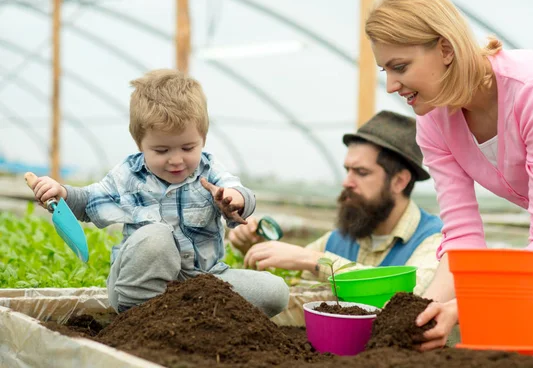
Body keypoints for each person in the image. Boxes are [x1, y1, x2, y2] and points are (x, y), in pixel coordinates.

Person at [365, 0, 533, 347]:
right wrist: (419, 312)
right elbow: (462, 238)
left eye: (400, 67)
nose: (392, 84)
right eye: (385, 69)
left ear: (445, 48)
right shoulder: (433, 121)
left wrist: (463, 309)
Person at [27, 69, 289, 317]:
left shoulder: (210, 172)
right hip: (139, 286)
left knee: (274, 292)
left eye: (187, 148)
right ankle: (140, 316)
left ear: (203, 139)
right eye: (162, 151)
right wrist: (61, 192)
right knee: (157, 236)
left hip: (204, 283)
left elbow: (242, 194)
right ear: (140, 145)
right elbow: (87, 201)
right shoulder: (128, 175)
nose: (176, 160)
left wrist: (234, 199)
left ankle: (188, 317)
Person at [229, 110, 444, 296]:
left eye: (361, 172)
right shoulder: (339, 238)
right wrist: (255, 248)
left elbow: (409, 298)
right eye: (347, 170)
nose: (347, 182)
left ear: (399, 181)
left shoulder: (435, 242)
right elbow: (290, 286)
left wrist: (318, 261)